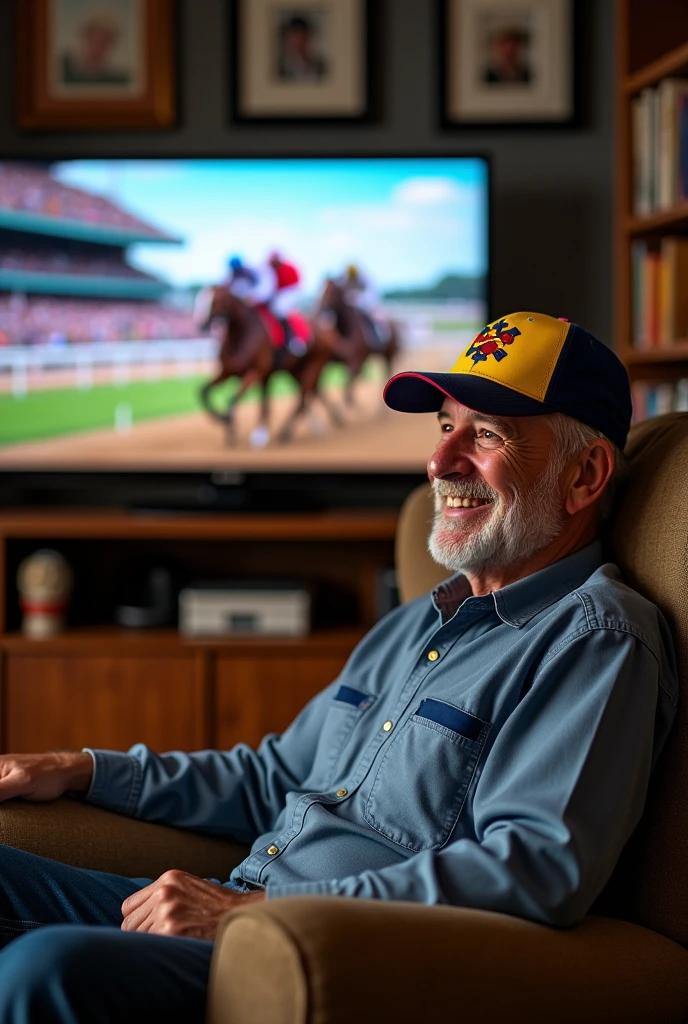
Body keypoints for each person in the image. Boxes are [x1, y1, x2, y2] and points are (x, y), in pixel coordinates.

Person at [0, 311, 677, 1022]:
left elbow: (534, 867)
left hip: (316, 945)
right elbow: (274, 776)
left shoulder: (595, 638)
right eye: (446, 428)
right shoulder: (420, 620)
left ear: (585, 475)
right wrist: (82, 767)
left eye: (486, 434)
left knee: (46, 970)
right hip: (239, 902)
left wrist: (258, 911)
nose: (441, 464)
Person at [276, 13, 328, 81]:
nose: (298, 42)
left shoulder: (320, 66)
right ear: (287, 39)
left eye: (302, 37)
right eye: (295, 37)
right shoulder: (279, 67)